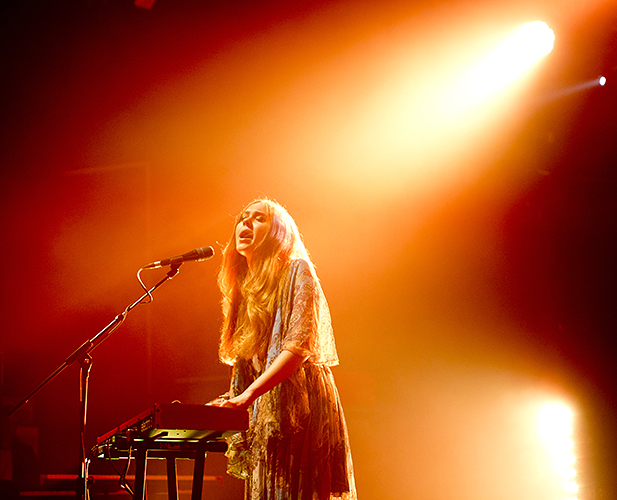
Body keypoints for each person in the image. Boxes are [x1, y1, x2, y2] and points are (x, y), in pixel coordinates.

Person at [207, 198, 357, 500]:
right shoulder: (244, 292)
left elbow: (298, 347)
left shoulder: (296, 271)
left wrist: (248, 396)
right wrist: (227, 402)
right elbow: (247, 370)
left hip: (300, 407)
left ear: (279, 233)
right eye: (243, 218)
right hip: (266, 408)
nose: (245, 223)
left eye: (258, 218)